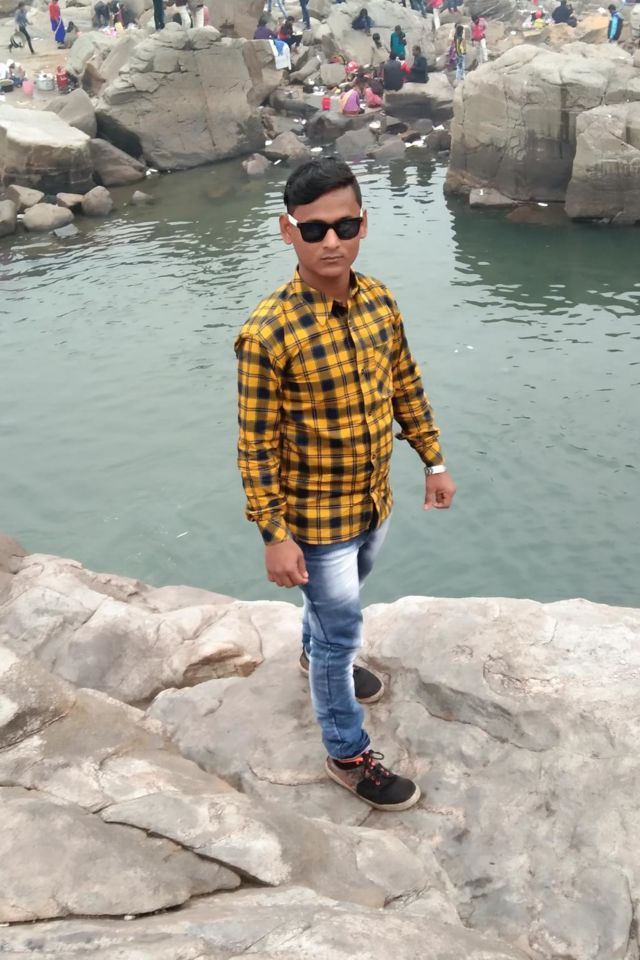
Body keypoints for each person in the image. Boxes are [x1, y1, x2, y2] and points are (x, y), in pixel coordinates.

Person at [235, 158, 456, 812]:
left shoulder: (380, 301)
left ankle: (315, 654)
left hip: (372, 502)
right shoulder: (267, 332)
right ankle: (347, 753)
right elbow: (255, 445)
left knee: (342, 605)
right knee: (341, 633)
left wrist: (433, 461)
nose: (331, 241)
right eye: (314, 229)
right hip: (316, 520)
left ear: (364, 223)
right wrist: (275, 536)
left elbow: (405, 384)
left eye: (345, 225)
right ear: (288, 231)